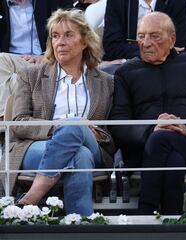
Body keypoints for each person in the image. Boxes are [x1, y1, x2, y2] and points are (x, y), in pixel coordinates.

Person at [109, 12, 186, 215]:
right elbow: (118, 122)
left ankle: (146, 210)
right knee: (169, 153)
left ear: (172, 39)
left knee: (162, 139)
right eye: (141, 36)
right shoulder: (125, 73)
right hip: (143, 152)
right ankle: (172, 218)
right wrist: (151, 129)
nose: (146, 43)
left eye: (154, 36)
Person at [0, 9, 114, 216]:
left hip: (93, 143)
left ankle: (30, 199)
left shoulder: (106, 82)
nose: (60, 41)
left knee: (76, 129)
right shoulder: (30, 75)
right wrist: (56, 126)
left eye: (68, 35)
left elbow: (111, 131)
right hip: (35, 146)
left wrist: (92, 131)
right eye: (55, 36)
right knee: (80, 153)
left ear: (85, 41)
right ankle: (80, 223)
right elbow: (18, 122)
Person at [0, 0, 74, 120]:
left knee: (15, 80)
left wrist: (47, 55)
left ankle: (6, 125)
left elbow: (75, 28)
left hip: (47, 59)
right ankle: (4, 120)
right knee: (2, 62)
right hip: (12, 60)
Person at [102, 0, 186, 62]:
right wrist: (159, 50)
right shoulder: (117, 2)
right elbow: (111, 46)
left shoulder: (179, 2)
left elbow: (179, 47)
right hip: (126, 65)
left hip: (167, 65)